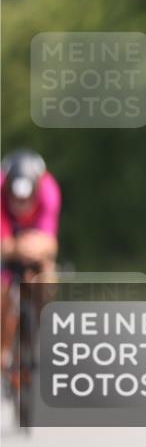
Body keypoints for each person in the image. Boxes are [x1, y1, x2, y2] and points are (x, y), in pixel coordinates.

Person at [1, 149, 61, 384]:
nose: (21, 205)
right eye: (16, 199)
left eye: (26, 199)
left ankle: (38, 331)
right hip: (9, 242)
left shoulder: (49, 190)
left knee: (46, 279)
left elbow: (49, 242)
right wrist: (15, 248)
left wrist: (34, 247)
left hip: (35, 244)